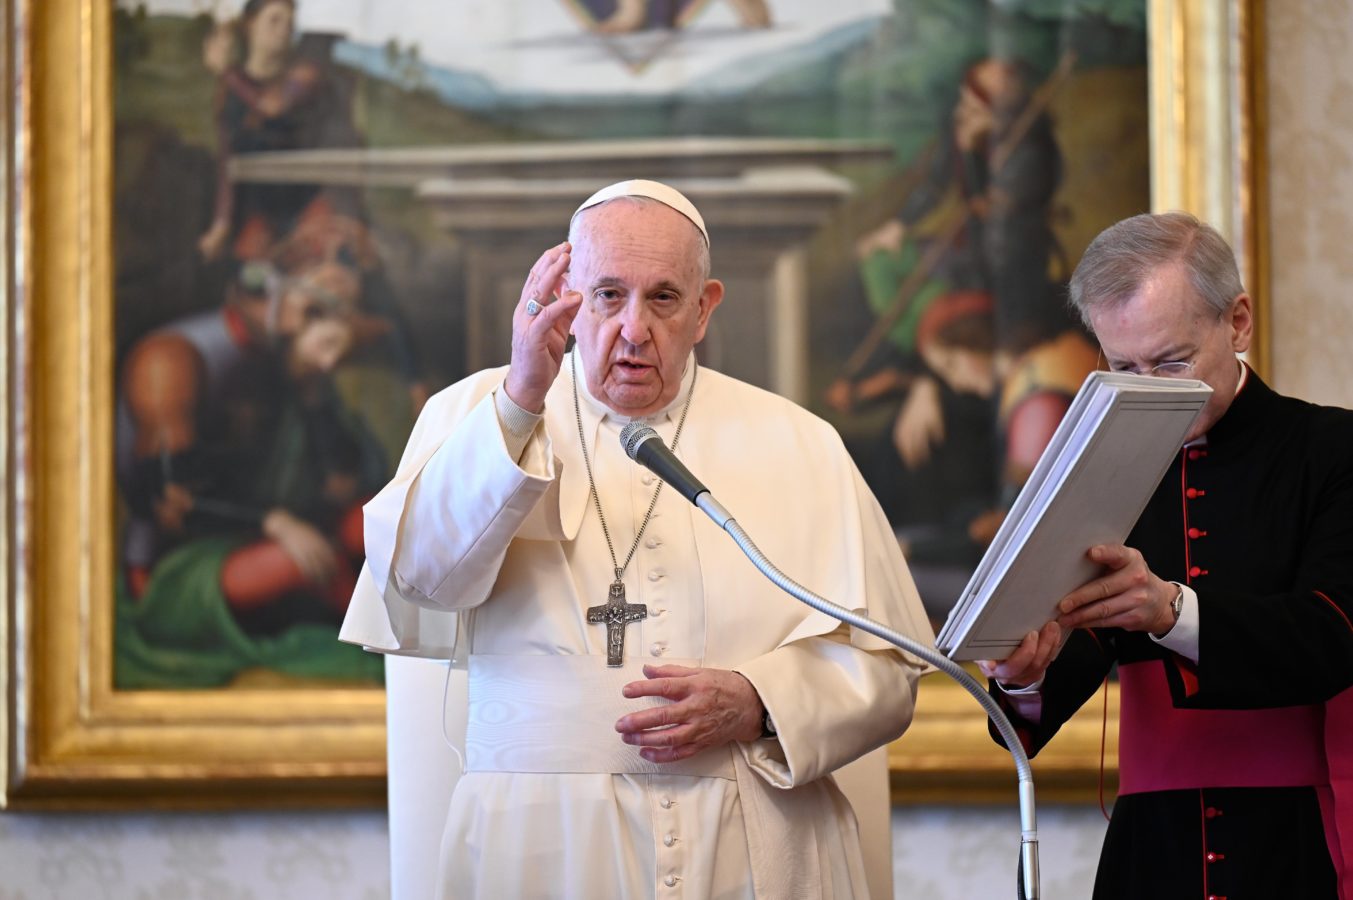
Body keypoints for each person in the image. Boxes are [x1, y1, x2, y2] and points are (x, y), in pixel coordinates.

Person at [340, 180, 933, 898]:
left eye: (663, 298)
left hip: (753, 846)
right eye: (607, 295)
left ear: (703, 309)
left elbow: (887, 667)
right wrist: (521, 402)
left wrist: (761, 702)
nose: (633, 329)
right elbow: (419, 580)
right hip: (541, 848)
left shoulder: (801, 444)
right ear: (567, 297)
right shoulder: (477, 412)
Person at [979, 212, 1353, 899]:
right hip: (1151, 850)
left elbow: (1333, 633)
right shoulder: (1095, 469)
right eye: (1124, 368)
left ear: (1237, 322)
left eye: (1172, 362)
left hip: (1301, 840)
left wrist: (1170, 611)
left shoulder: (1332, 450)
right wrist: (1024, 675)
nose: (1151, 387)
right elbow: (1075, 648)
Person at [115, 257, 388, 688]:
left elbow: (341, 485)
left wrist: (311, 390)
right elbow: (174, 505)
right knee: (304, 562)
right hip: (179, 564)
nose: (327, 328)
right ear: (266, 296)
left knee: (375, 519)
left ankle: (393, 626)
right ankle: (386, 640)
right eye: (315, 310)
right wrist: (273, 522)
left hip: (280, 530)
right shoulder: (170, 360)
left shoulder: (284, 360)